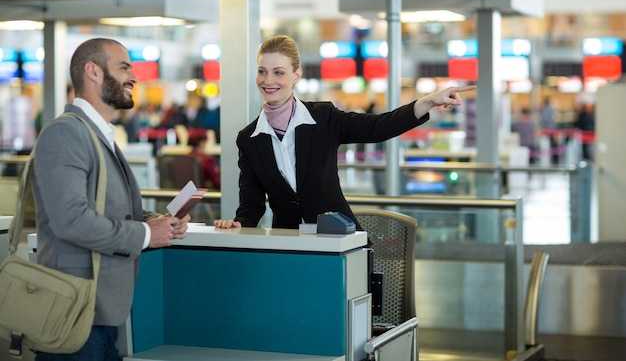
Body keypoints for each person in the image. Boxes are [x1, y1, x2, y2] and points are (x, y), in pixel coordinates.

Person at [32, 38, 189, 361]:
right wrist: (145, 234)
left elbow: (107, 209)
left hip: (101, 311)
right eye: (124, 68)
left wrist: (156, 222)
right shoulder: (66, 133)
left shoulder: (98, 134)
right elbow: (71, 220)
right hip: (74, 312)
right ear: (93, 71)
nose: (133, 77)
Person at [215, 35, 473, 230]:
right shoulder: (249, 138)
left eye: (278, 72)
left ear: (296, 75)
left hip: (339, 241)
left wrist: (427, 101)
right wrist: (238, 223)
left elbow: (378, 127)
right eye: (262, 71)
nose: (268, 80)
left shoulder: (323, 118)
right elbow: (251, 204)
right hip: (289, 245)